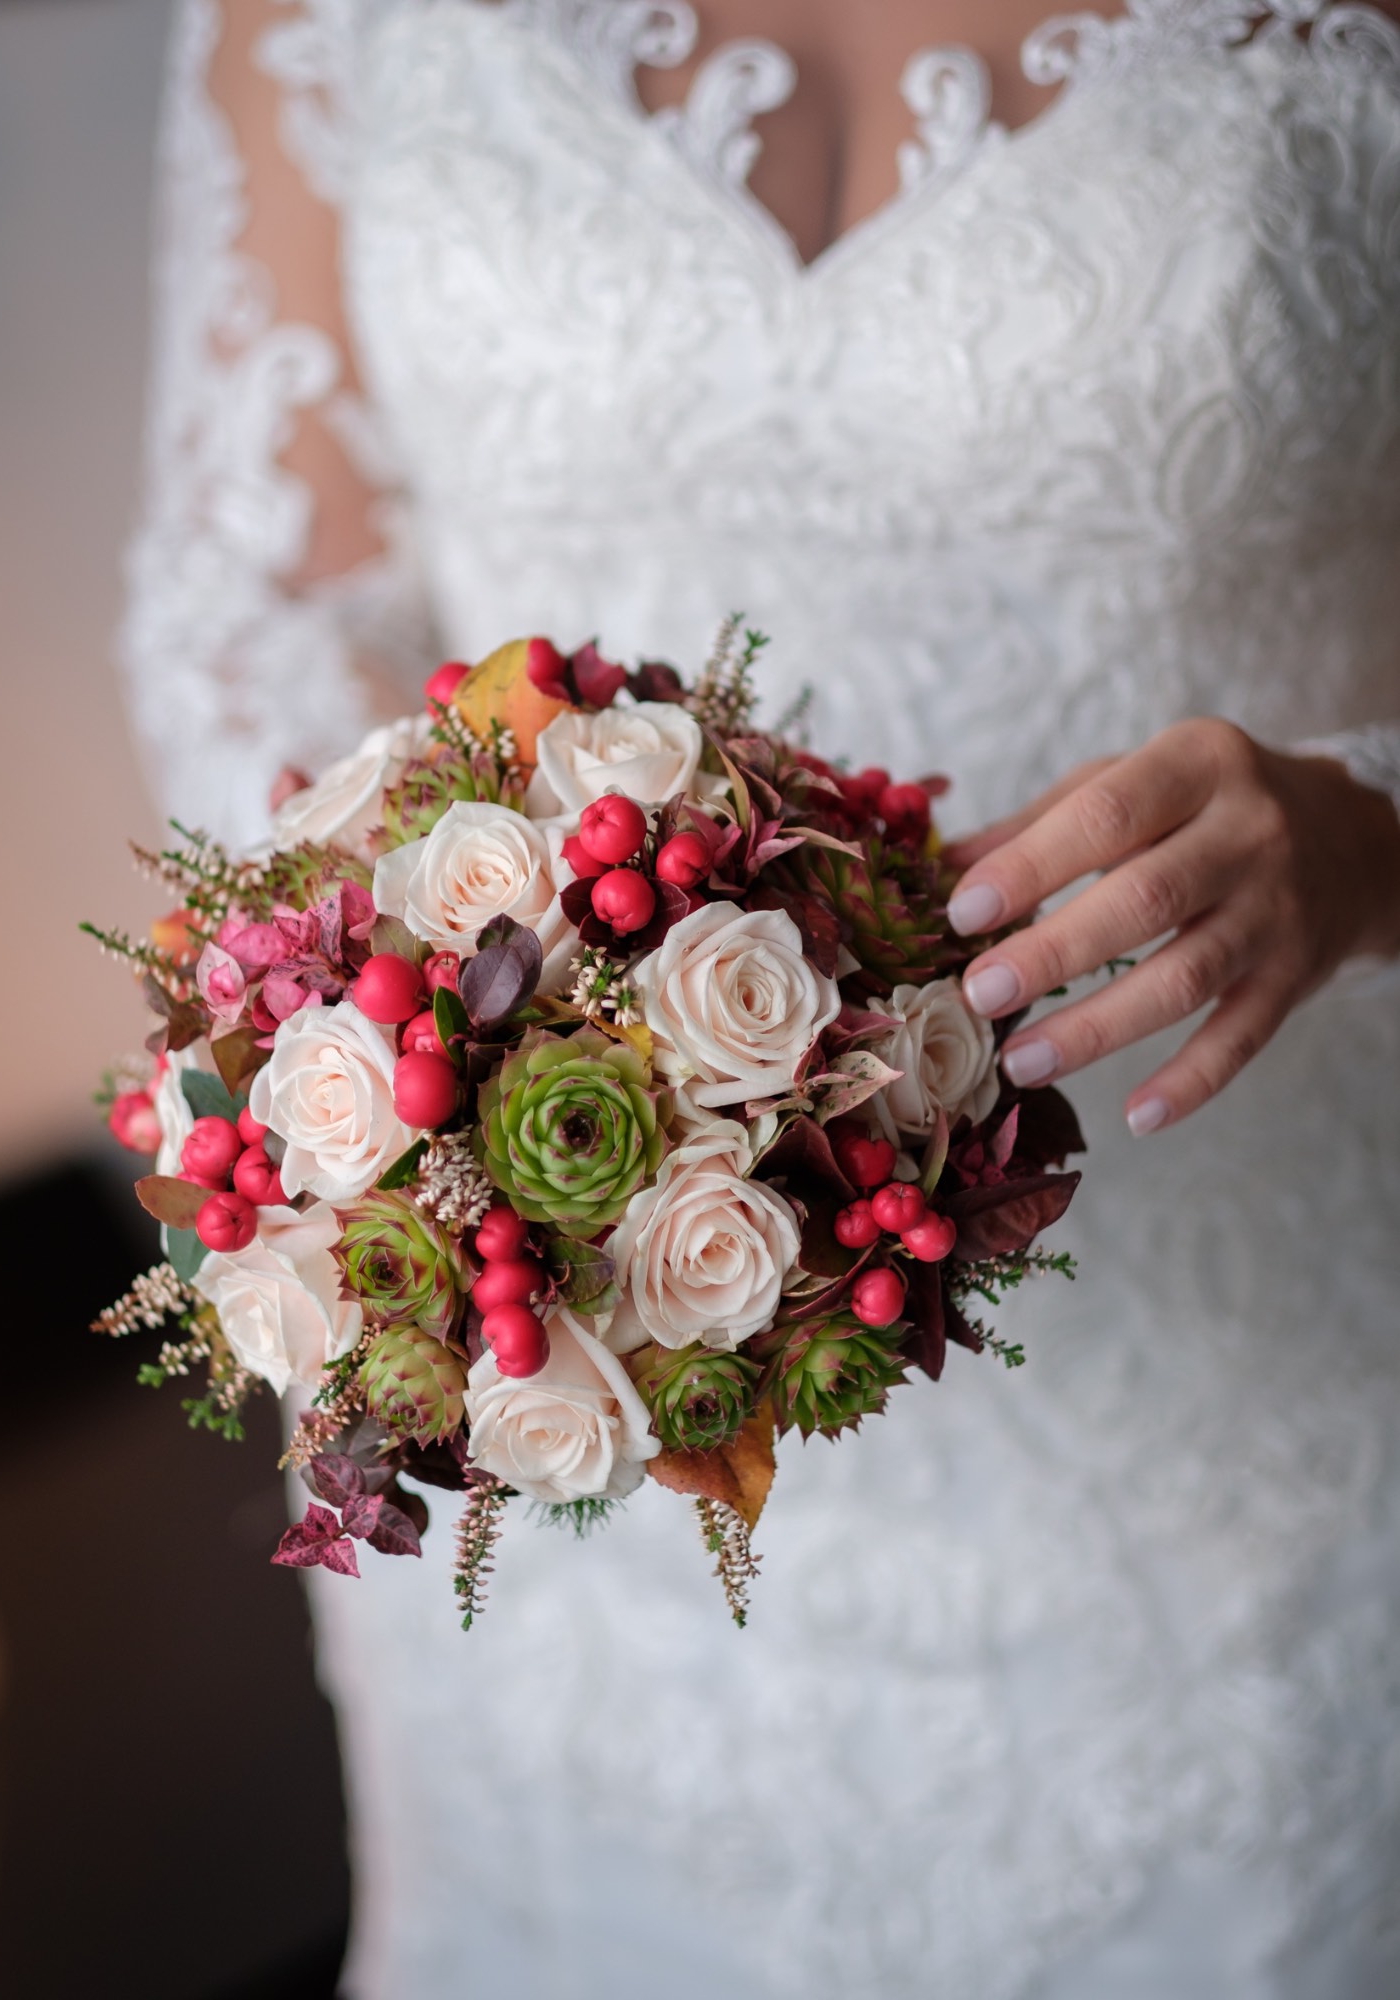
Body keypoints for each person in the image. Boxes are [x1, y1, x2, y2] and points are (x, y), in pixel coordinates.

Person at [119, 3, 1400, 1993]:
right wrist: (389, 1076)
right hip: (552, 1408)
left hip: (1256, 1460)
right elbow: (254, 613)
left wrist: (1363, 833)